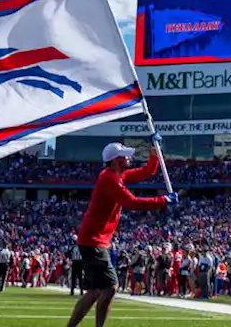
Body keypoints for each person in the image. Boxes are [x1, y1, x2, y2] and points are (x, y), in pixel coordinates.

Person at [64, 138, 177, 327]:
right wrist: (162, 200)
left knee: (94, 291)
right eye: (125, 157)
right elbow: (132, 202)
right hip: (94, 241)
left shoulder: (117, 175)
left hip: (93, 239)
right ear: (117, 161)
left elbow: (147, 171)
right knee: (110, 287)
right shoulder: (110, 178)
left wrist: (154, 153)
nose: (129, 159)